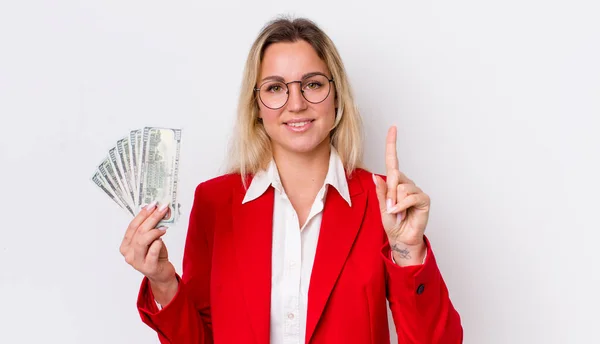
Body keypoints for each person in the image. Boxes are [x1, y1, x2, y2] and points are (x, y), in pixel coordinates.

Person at [120, 17, 463, 344]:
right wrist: (163, 282)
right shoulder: (215, 202)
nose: (296, 104)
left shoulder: (383, 201)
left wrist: (408, 252)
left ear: (337, 96)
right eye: (275, 88)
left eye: (313, 84)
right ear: (256, 105)